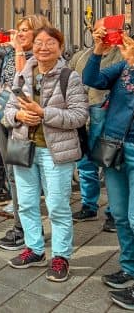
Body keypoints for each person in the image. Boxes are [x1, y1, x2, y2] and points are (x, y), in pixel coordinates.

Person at [4, 26, 88, 282]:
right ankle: (35, 249)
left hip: (55, 154)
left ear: (60, 47)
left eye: (50, 42)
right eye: (38, 42)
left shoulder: (69, 77)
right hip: (24, 149)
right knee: (27, 203)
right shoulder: (22, 75)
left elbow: (79, 115)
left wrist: (43, 113)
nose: (43, 47)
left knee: (57, 206)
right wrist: (18, 115)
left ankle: (61, 256)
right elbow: (6, 109)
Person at [0, 14, 51, 250]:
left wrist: (18, 49)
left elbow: (22, 81)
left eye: (25, 30)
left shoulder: (39, 55)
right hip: (2, 111)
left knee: (19, 171)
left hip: (22, 115)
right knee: (10, 170)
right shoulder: (8, 52)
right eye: (18, 30)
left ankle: (25, 229)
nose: (19, 34)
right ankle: (25, 226)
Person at [83, 29, 134, 308]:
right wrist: (97, 52)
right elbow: (91, 80)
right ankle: (128, 267)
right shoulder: (124, 63)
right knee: (121, 216)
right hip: (115, 147)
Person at [68, 17, 120, 232]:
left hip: (108, 116)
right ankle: (89, 205)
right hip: (83, 116)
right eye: (100, 30)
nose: (104, 34)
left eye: (109, 31)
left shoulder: (122, 55)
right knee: (85, 163)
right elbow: (70, 78)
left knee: (111, 164)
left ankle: (113, 212)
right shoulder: (81, 56)